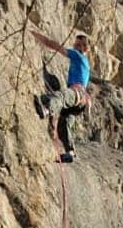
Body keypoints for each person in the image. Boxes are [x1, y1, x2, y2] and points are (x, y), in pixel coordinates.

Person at [31, 30, 91, 162]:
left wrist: (35, 35)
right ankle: (70, 152)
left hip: (76, 93)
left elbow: (54, 46)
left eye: (78, 45)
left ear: (84, 48)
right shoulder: (86, 64)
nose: (75, 47)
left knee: (60, 97)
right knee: (64, 122)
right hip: (81, 101)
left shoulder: (78, 56)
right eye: (75, 44)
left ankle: (47, 109)